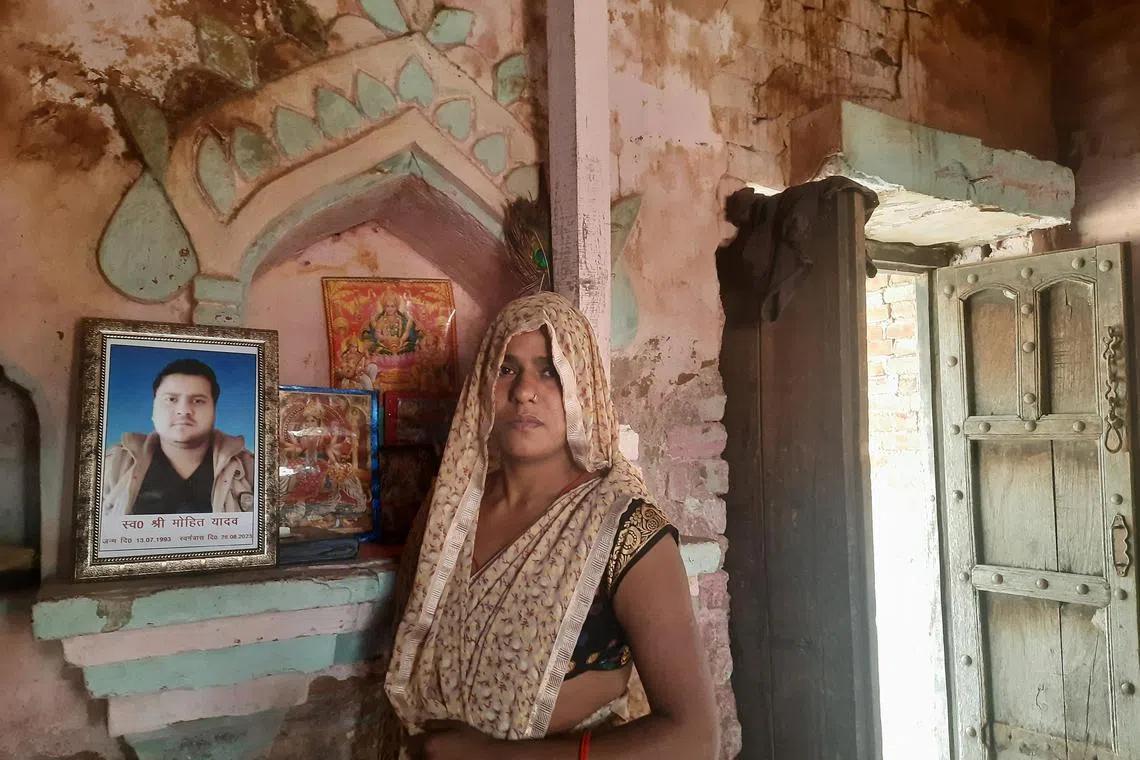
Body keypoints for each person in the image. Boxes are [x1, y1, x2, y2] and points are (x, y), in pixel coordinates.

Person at [383, 293, 718, 759]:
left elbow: (695, 740)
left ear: (584, 388)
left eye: (551, 370)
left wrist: (489, 756)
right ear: (483, 383)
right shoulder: (448, 513)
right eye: (506, 368)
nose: (524, 391)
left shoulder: (624, 529)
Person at [102, 358, 255, 516]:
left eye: (198, 401)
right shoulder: (113, 465)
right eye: (171, 399)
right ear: (153, 410)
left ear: (214, 411)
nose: (184, 410)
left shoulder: (250, 467)